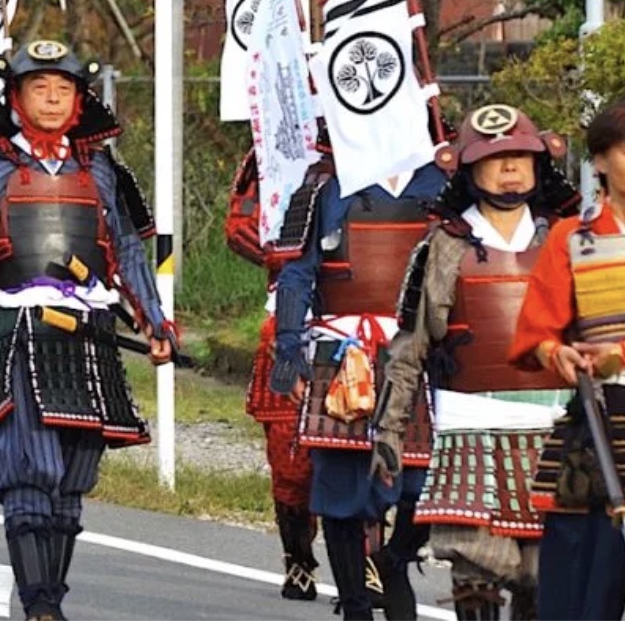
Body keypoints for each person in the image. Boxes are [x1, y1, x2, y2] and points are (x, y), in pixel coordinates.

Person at [0, 40, 173, 621]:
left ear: (78, 99)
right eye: (38, 88)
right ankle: (39, 604)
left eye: (62, 89)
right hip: (14, 328)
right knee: (27, 468)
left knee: (72, 477)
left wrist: (156, 321)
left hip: (87, 331)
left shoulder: (102, 171)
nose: (51, 99)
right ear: (15, 98)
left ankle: (52, 595)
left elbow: (129, 254)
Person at [372, 105, 576, 621]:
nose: (510, 167)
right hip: (470, 432)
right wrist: (389, 432)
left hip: (556, 431)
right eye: (496, 157)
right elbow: (409, 348)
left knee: (548, 573)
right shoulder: (441, 247)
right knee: (473, 569)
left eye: (520, 156)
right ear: (468, 168)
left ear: (539, 165)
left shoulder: (569, 242)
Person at [271, 128, 448, 620]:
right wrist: (290, 347)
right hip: (341, 351)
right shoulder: (324, 186)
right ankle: (354, 606)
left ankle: (393, 561)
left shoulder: (444, 183)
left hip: (418, 355)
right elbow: (298, 271)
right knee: (342, 492)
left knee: (425, 490)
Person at [509, 97, 625, 621]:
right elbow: (537, 330)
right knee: (580, 596)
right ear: (600, 160)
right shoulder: (570, 238)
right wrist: (556, 353)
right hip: (599, 429)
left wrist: (617, 355)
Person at [227, 144, 327, 601]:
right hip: (288, 317)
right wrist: (286, 249)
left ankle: (371, 559)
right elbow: (239, 226)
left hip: (372, 321)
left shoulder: (398, 139)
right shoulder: (278, 147)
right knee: (290, 460)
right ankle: (299, 556)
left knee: (374, 455)